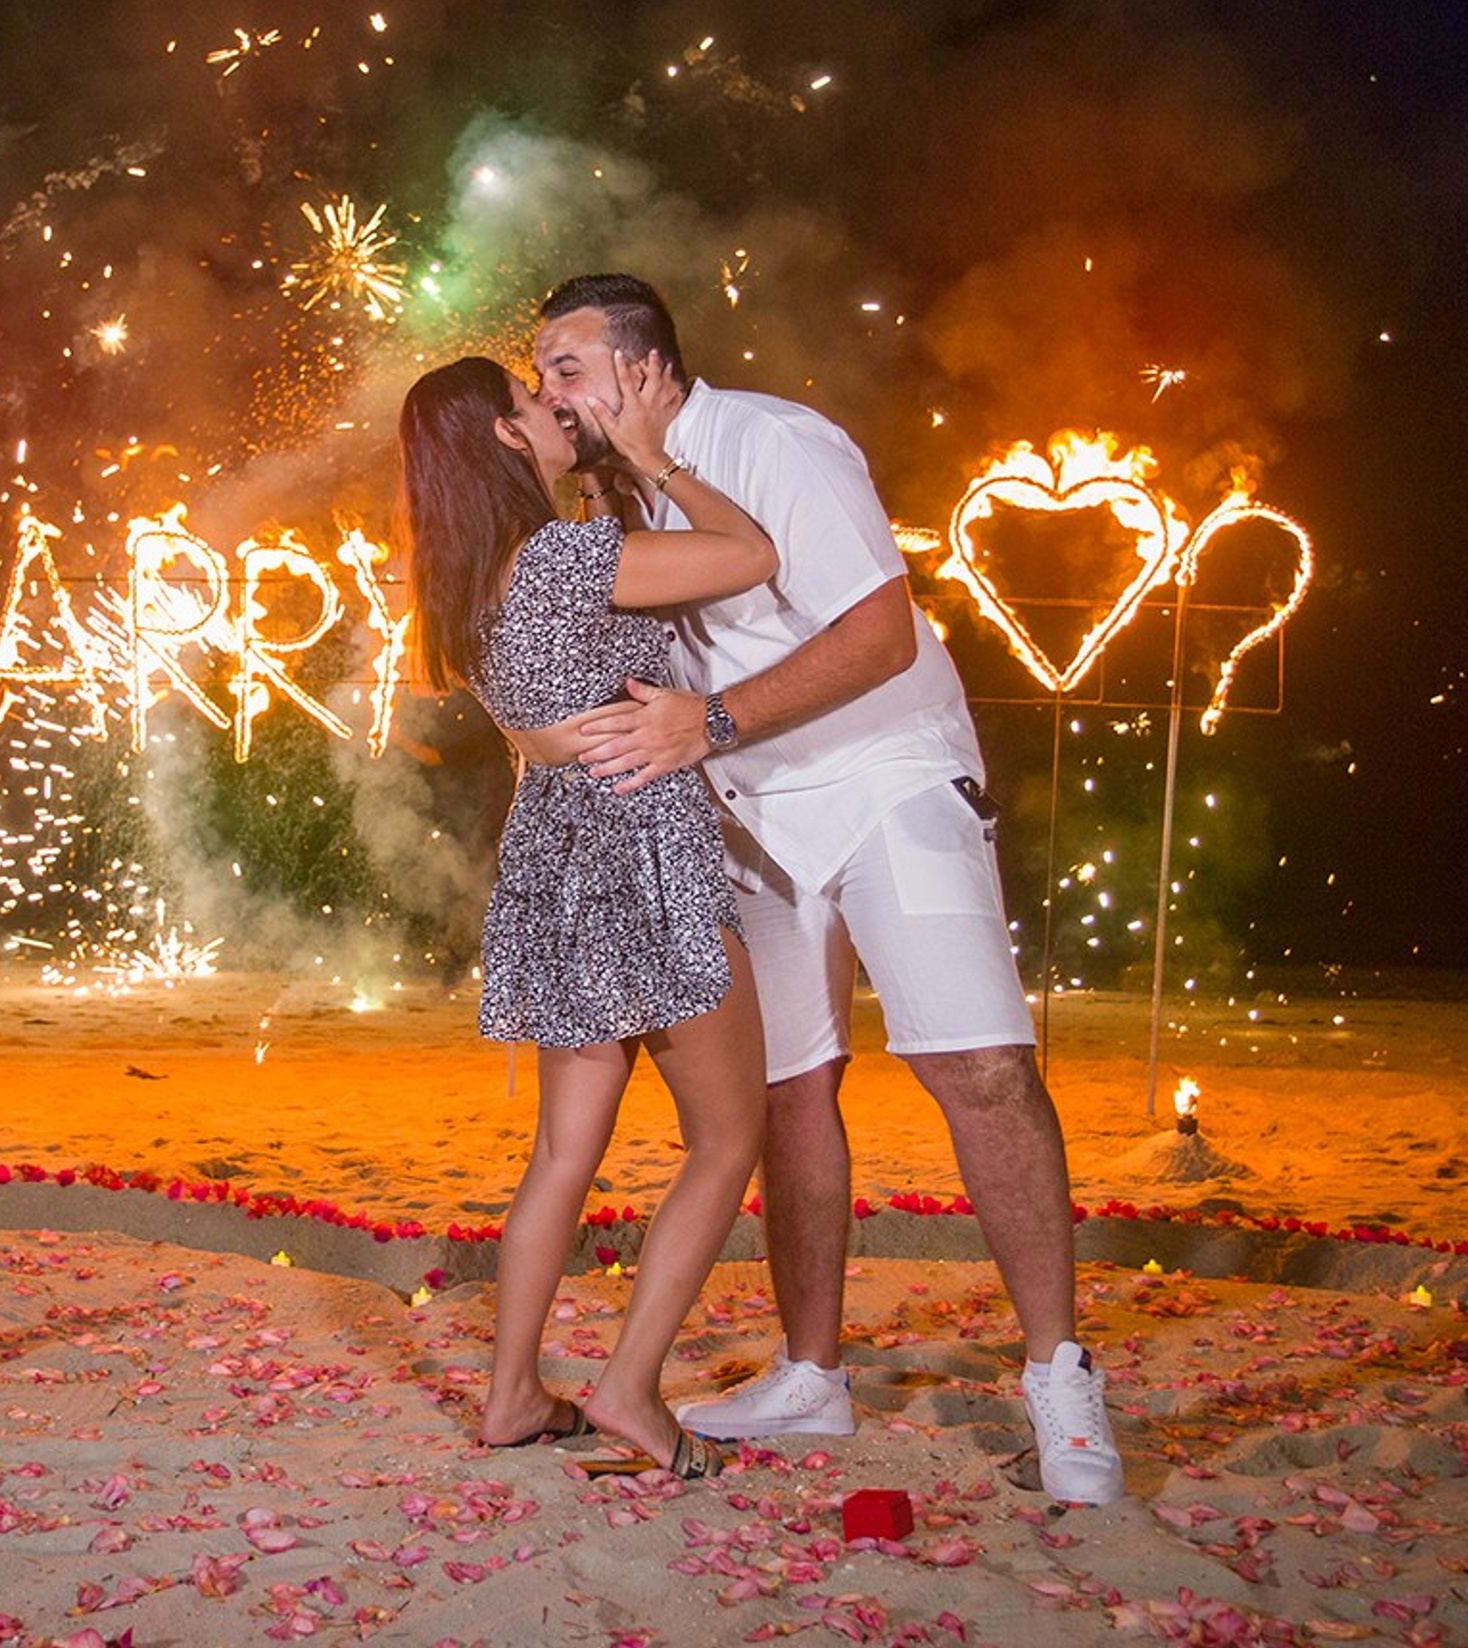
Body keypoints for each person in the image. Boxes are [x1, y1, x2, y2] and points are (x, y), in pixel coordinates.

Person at [532, 274, 1125, 1506]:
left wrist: (715, 722)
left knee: (982, 1067)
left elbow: (881, 634)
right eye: (542, 376)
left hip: (888, 780)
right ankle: (812, 1375)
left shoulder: (774, 441)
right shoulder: (610, 493)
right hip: (752, 810)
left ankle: (1060, 1377)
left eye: (570, 367)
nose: (550, 392)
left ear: (646, 367)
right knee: (794, 1090)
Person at [397, 351, 772, 1481]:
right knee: (728, 1134)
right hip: (637, 846)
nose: (555, 405)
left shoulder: (468, 584)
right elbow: (753, 555)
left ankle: (513, 1395)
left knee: (565, 1149)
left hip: (556, 858)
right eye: (531, 401)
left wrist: (609, 477)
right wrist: (657, 454)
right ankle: (627, 1389)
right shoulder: (563, 559)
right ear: (506, 439)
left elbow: (539, 716)